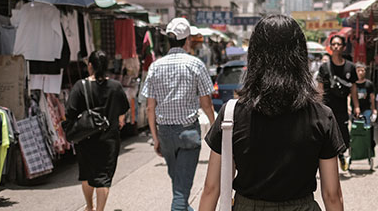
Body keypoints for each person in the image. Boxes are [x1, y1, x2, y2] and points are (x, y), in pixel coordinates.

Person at [199, 14, 345, 211]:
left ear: (254, 56)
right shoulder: (321, 115)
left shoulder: (231, 114)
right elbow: (332, 195)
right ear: (300, 56)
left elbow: (211, 189)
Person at [142, 17, 216, 211]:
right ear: (187, 40)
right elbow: (206, 103)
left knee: (179, 188)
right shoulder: (195, 64)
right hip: (188, 133)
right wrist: (214, 126)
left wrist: (155, 138)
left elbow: (150, 107)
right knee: (181, 194)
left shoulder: (155, 66)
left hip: (165, 134)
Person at [66, 50, 130, 211]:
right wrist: (118, 119)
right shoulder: (115, 86)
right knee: (104, 178)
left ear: (90, 66)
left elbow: (70, 111)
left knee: (86, 175)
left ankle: (89, 207)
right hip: (109, 139)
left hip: (86, 138)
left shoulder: (80, 86)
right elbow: (123, 110)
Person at [317, 34, 359, 171]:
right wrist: (318, 106)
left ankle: (341, 154)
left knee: (344, 136)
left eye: (338, 44)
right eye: (333, 44)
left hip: (342, 108)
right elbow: (320, 88)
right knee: (325, 135)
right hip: (327, 107)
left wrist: (356, 106)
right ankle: (329, 161)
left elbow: (353, 88)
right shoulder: (324, 67)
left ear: (344, 47)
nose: (335, 47)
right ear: (330, 47)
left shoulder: (350, 67)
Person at [354, 63, 376, 128]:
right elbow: (349, 96)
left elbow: (372, 97)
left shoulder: (369, 84)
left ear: (365, 72)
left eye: (362, 70)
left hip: (366, 108)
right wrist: (348, 106)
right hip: (355, 109)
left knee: (366, 126)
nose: (360, 72)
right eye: (358, 70)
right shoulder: (353, 84)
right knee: (355, 126)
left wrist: (373, 109)